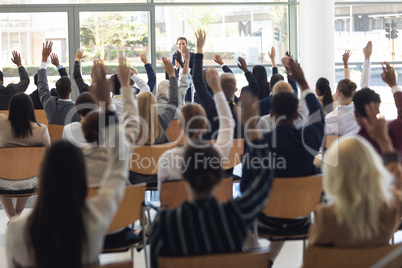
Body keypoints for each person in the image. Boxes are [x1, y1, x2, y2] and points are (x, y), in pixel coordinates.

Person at [5, 60, 129, 268]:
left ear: (44, 175)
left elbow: (43, 90)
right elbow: (118, 164)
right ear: (80, 175)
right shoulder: (94, 220)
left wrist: (43, 63)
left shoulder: (17, 231)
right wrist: (106, 106)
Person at [151, 90, 273, 268]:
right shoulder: (234, 216)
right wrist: (252, 129)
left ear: (185, 175)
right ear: (218, 177)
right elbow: (264, 180)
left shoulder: (164, 224)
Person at [241, 56, 324, 266]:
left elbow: (245, 189)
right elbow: (319, 115)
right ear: (297, 114)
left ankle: (259, 259)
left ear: (271, 113)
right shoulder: (309, 140)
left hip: (266, 216)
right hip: (301, 215)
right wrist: (303, 82)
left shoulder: (260, 144)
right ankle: (267, 259)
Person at [309, 102, 402, 247]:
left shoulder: (326, 217)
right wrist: (385, 142)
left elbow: (313, 258)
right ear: (373, 170)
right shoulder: (391, 210)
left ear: (334, 176)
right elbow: (398, 184)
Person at [157, 67, 234, 193]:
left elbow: (163, 196)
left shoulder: (167, 159)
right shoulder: (215, 155)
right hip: (209, 212)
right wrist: (217, 88)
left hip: (178, 211)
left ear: (180, 126)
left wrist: (172, 74)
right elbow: (227, 123)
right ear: (205, 125)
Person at [82, 57, 139, 188]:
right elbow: (132, 121)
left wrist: (105, 102)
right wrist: (125, 84)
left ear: (84, 134)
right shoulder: (120, 156)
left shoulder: (78, 162)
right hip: (127, 205)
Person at [0, 93, 50, 220]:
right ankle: (16, 217)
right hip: (30, 182)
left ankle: (13, 218)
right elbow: (49, 156)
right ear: (30, 109)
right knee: (27, 173)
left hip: (2, 180)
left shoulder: (1, 123)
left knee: (4, 177)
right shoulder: (41, 130)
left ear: (10, 108)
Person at [193, 30, 243, 140]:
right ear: (235, 89)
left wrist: (199, 49)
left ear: (219, 88)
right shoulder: (243, 113)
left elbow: (198, 83)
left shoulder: (212, 108)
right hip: (237, 156)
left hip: (212, 155)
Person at [353, 62, 402, 156]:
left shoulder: (355, 144)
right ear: (378, 108)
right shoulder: (395, 130)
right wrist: (393, 85)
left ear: (356, 113)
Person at [38, 41, 80, 125]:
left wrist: (44, 59)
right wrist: (58, 66)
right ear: (70, 90)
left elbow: (42, 85)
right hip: (70, 138)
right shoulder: (77, 110)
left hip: (53, 138)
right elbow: (66, 82)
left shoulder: (50, 105)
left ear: (56, 90)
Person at [156, 46, 190, 119]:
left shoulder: (152, 107)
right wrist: (186, 60)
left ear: (158, 91)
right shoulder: (177, 101)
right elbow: (183, 82)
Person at [172, 36, 195, 102]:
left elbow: (193, 69)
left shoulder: (192, 55)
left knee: (188, 99)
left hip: (189, 81)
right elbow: (173, 70)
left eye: (183, 43)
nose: (181, 45)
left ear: (186, 44)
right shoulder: (175, 56)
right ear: (177, 45)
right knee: (179, 99)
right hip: (178, 81)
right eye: (179, 44)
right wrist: (176, 66)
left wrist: (183, 66)